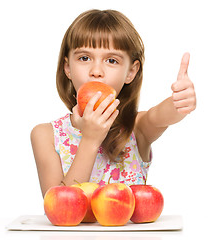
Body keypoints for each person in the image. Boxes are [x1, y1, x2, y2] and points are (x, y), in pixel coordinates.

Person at [31, 9, 196, 198]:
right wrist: (90, 140)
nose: (96, 71)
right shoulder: (46, 135)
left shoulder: (136, 127)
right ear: (67, 68)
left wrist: (179, 102)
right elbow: (60, 208)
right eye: (84, 58)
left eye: (111, 60)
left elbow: (159, 115)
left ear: (131, 72)